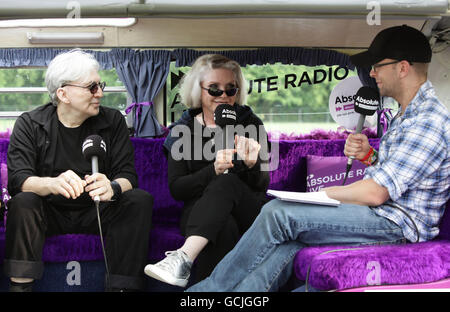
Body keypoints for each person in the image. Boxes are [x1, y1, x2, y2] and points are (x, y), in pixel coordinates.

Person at [186, 25, 450, 292]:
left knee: (278, 214)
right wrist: (370, 156)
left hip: (396, 226)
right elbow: (405, 175)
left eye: (377, 66)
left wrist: (321, 196)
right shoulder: (405, 115)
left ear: (402, 68)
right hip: (382, 214)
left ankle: (206, 293)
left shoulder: (427, 122)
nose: (371, 73)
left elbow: (376, 193)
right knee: (290, 242)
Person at [4, 49, 153, 292]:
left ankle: (122, 289)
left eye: (100, 85)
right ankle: (20, 288)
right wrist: (51, 184)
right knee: (24, 201)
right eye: (92, 87)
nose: (101, 93)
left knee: (139, 200)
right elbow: (18, 179)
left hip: (97, 211)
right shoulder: (30, 123)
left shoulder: (113, 120)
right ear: (63, 93)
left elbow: (128, 177)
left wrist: (112, 187)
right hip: (50, 212)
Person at [144, 54, 270, 287]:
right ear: (198, 90)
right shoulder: (182, 130)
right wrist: (212, 170)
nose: (223, 96)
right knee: (223, 227)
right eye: (214, 89)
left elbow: (262, 184)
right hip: (199, 212)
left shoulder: (251, 123)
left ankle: (183, 258)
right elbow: (178, 189)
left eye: (230, 90)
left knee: (227, 182)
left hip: (248, 209)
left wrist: (252, 166)